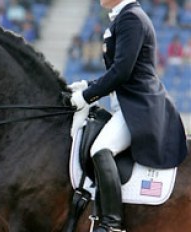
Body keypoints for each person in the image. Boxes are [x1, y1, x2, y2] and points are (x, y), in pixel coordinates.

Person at [68, 0, 188, 231]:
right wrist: (87, 85)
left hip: (141, 107)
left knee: (100, 149)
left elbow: (122, 71)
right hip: (128, 104)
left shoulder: (131, 18)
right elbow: (118, 71)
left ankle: (111, 224)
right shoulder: (123, 18)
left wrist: (87, 96)